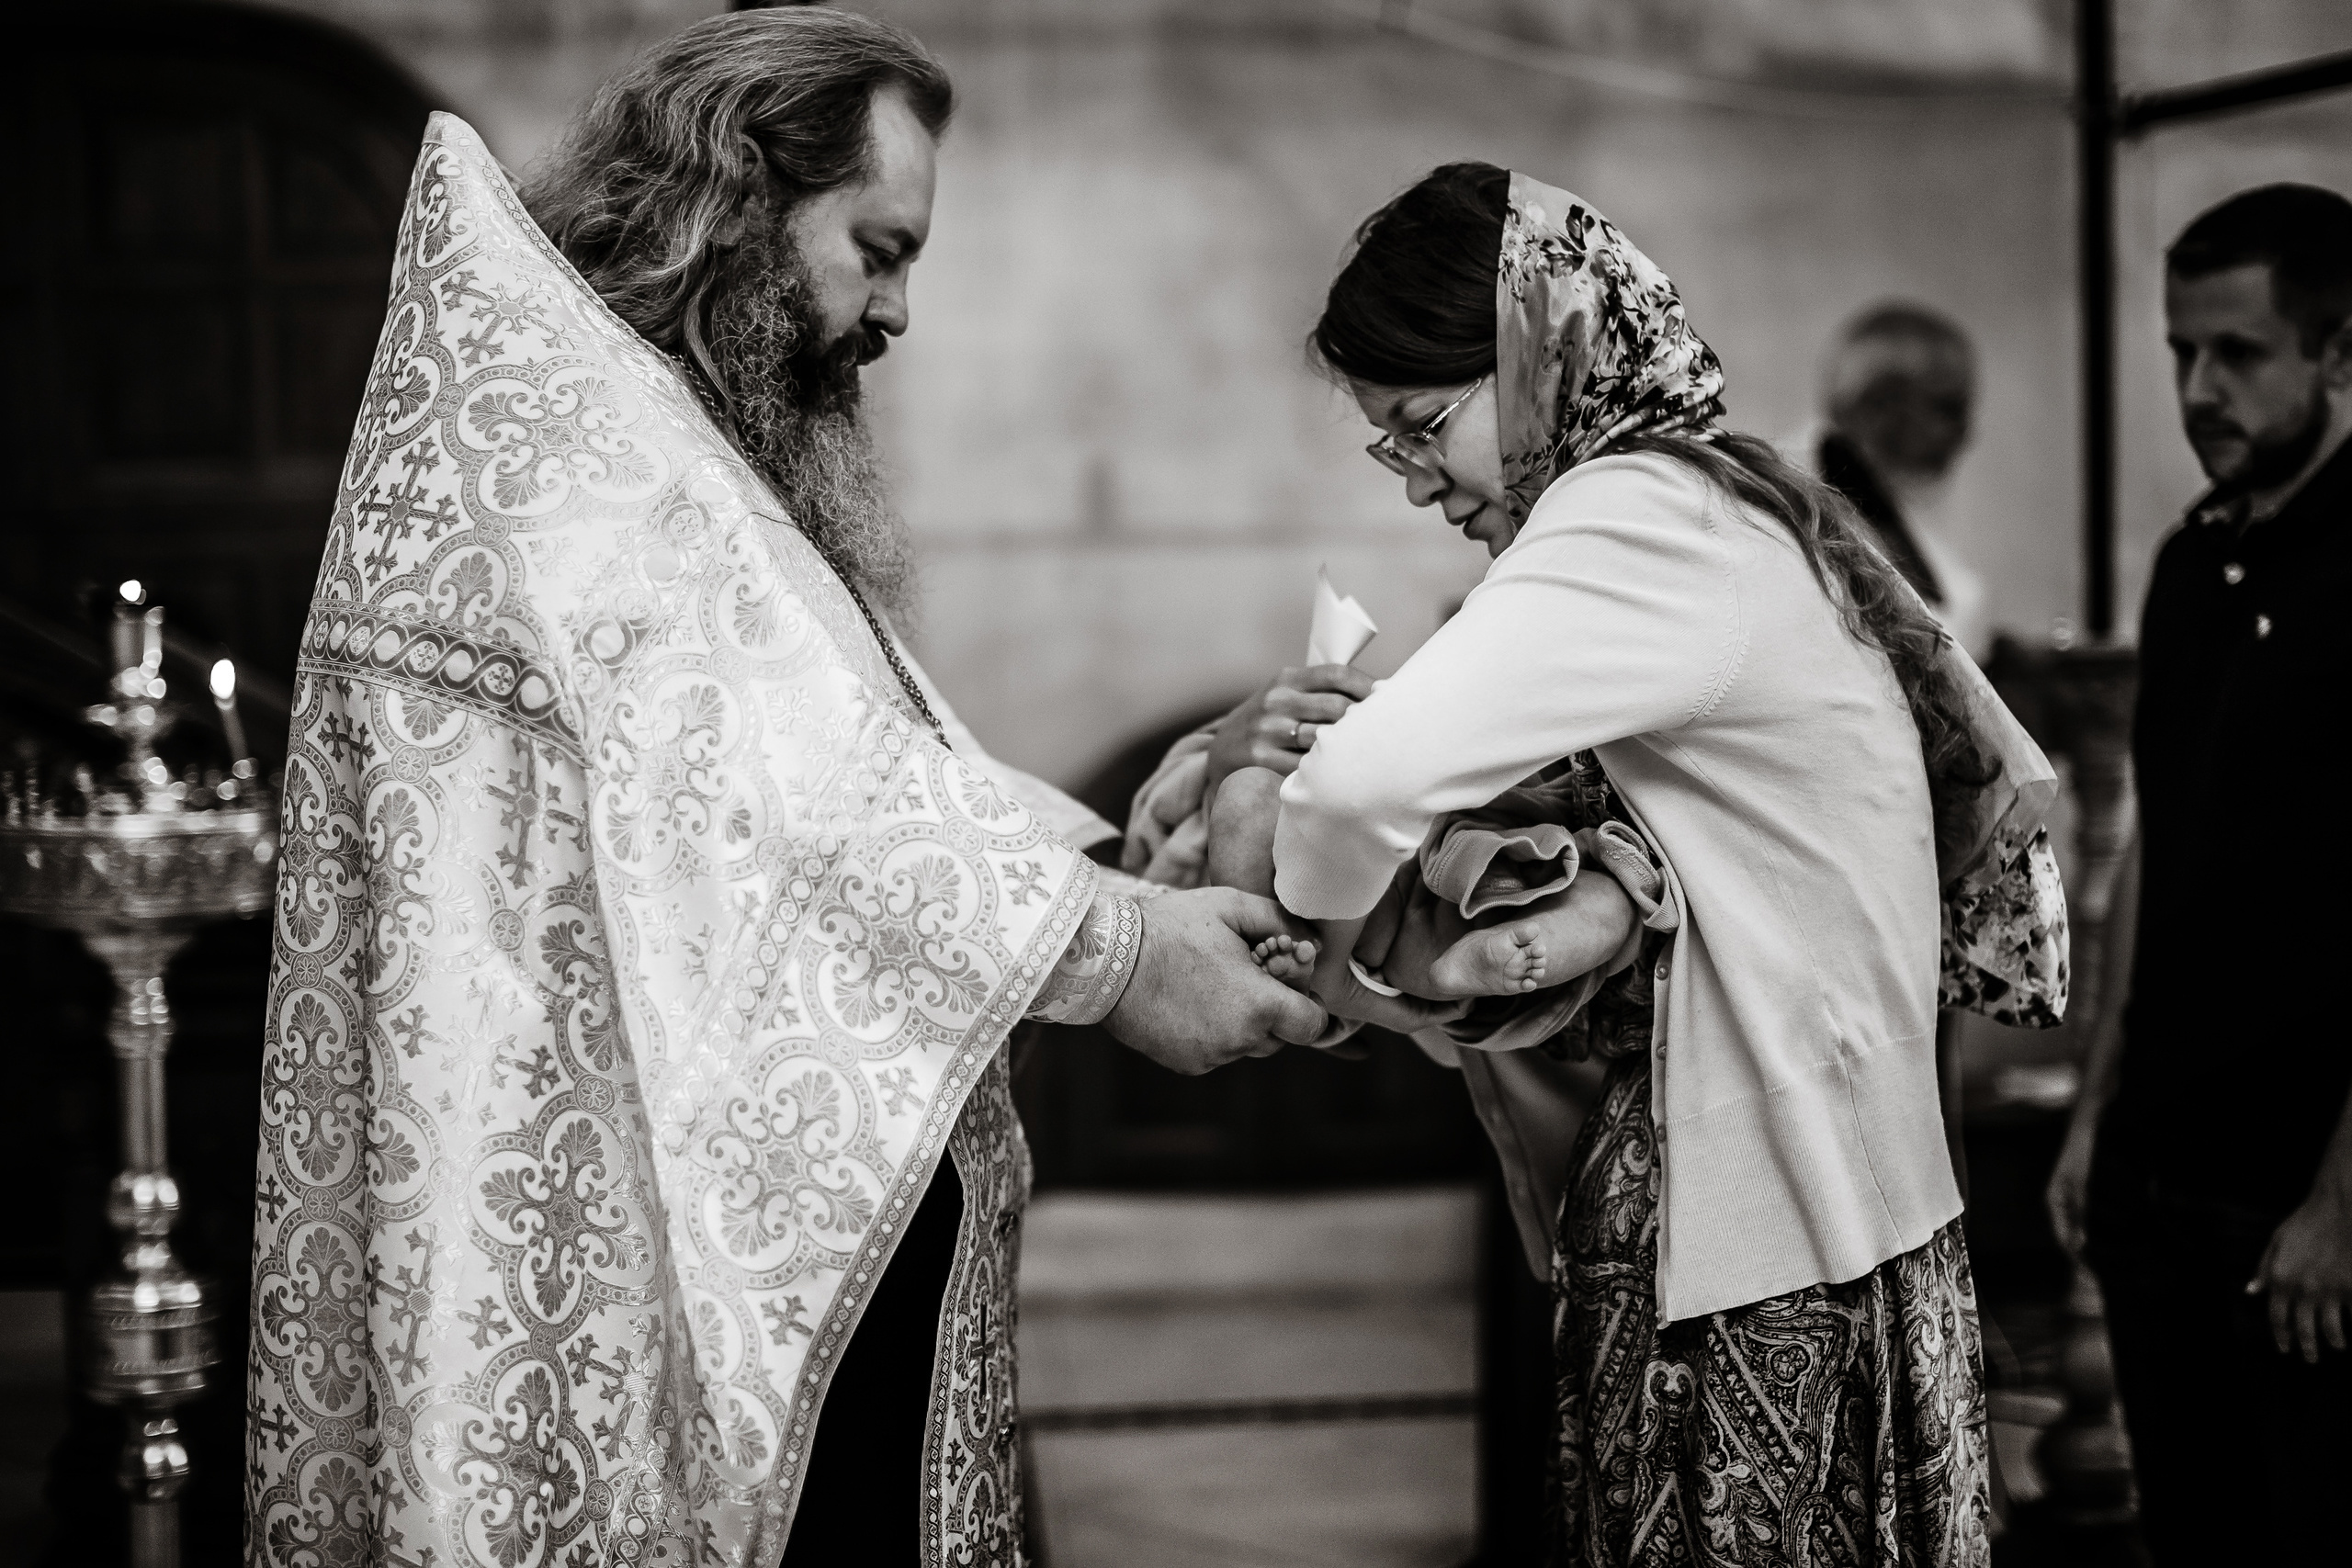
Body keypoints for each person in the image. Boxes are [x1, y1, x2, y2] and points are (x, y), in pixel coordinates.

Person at [243, 13, 1326, 1567]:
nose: (895, 309)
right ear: (741, 192)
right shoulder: (589, 462)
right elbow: (788, 806)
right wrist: (1124, 950)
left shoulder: (641, 427)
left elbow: (814, 757)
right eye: (878, 248)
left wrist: (1117, 855)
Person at [1256, 162, 2067, 1562]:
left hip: (1766, 1240)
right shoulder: (1723, 495)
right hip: (1856, 1211)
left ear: (1531, 349)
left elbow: (1355, 789)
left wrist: (1311, 956)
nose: (1413, 484)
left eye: (1419, 429)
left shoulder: (1631, 518)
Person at [2046, 184, 2352, 1565]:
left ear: (2339, 350)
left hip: (2302, 1199)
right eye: (2180, 352)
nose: (2197, 388)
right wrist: (2099, 1109)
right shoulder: (2191, 558)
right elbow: (2152, 845)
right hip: (2161, 1176)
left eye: (2238, 353)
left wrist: (2346, 1201)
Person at [1808, 304, 1994, 662]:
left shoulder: (1893, 499)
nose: (1965, 432)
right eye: (1948, 408)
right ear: (1880, 403)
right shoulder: (1809, 499)